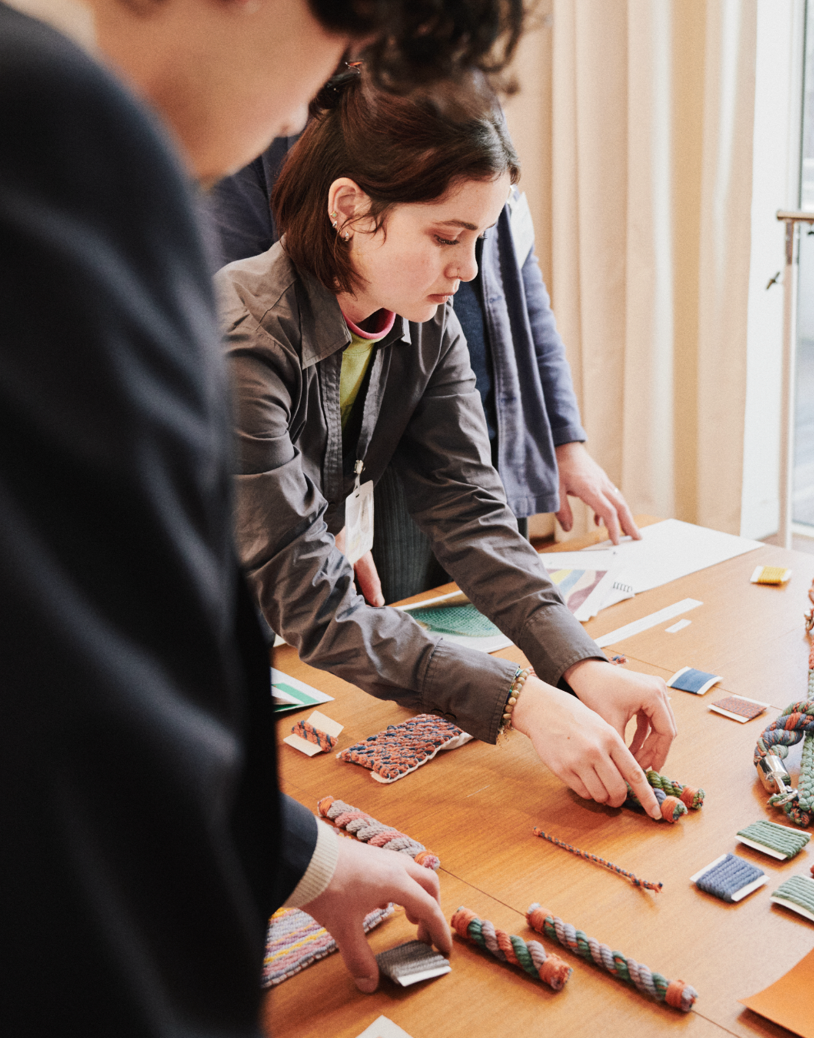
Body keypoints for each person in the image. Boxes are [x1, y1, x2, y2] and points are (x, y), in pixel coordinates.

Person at [1, 0, 527, 1028]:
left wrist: (308, 859)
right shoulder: (60, 129)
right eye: (335, 37)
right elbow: (93, 706)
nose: (300, 111)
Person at [218, 71, 677, 825]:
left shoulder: (423, 325)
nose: (464, 270)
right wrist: (521, 702)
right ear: (349, 209)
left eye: (477, 241)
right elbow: (317, 605)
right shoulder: (243, 336)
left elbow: (472, 515)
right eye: (445, 238)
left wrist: (579, 662)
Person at [210, 121, 638, 607]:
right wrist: (309, 514)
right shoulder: (284, 123)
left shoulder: (437, 322)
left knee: (469, 595)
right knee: (371, 610)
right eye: (445, 237)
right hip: (353, 435)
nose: (467, 268)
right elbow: (260, 329)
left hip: (457, 396)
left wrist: (562, 436)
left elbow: (522, 280)